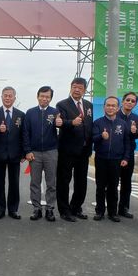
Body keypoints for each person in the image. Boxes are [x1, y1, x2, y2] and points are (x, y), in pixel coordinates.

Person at [55, 77, 93, 222]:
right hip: (67, 150)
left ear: (84, 90)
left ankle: (76, 207)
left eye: (80, 87)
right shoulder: (62, 104)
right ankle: (64, 211)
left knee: (81, 181)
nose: (77, 90)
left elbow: (89, 125)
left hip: (84, 150)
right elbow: (59, 123)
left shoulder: (88, 105)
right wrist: (72, 122)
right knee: (64, 181)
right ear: (70, 87)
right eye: (75, 87)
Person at [23, 86, 62, 221]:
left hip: (51, 151)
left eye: (47, 97)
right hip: (35, 153)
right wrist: (27, 151)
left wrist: (60, 124)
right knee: (35, 182)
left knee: (51, 182)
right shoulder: (30, 112)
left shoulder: (55, 112)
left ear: (51, 98)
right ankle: (36, 208)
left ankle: (50, 209)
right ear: (38, 96)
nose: (44, 99)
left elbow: (61, 128)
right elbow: (25, 133)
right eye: (42, 96)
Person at [0, 86, 25, 220]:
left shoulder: (21, 115)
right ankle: (0, 209)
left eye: (10, 96)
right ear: (2, 97)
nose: (8, 98)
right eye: (5, 96)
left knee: (14, 183)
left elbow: (23, 135)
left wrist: (23, 153)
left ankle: (13, 209)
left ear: (15, 98)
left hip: (15, 155)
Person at [92, 96, 130, 222]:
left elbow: (127, 143)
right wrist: (101, 136)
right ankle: (100, 211)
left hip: (116, 160)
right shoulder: (98, 122)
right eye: (108, 105)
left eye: (113, 105)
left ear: (118, 108)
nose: (110, 108)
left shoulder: (122, 124)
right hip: (101, 159)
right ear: (104, 107)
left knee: (114, 187)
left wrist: (125, 157)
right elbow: (92, 139)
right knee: (100, 186)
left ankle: (113, 212)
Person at [116, 91, 138, 219]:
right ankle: (110, 206)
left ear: (136, 104)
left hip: (129, 154)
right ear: (123, 101)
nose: (130, 102)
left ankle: (123, 208)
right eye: (128, 100)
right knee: (112, 182)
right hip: (114, 154)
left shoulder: (137, 119)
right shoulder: (114, 114)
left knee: (126, 183)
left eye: (133, 101)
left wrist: (135, 132)